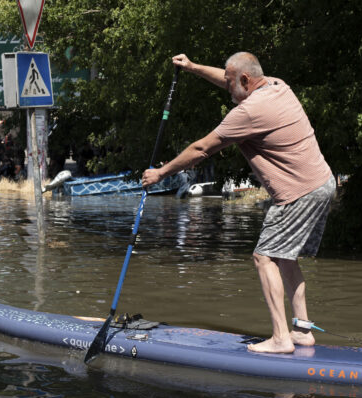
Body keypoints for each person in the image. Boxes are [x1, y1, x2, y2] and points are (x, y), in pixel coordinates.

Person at [142, 52, 336, 354]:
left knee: (264, 257)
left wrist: (161, 173)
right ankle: (302, 330)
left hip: (299, 192)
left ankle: (281, 338)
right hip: (323, 184)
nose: (227, 87)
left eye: (230, 82)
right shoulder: (277, 86)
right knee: (284, 256)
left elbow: (202, 148)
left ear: (245, 80)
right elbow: (228, 78)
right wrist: (192, 68)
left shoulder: (248, 112)